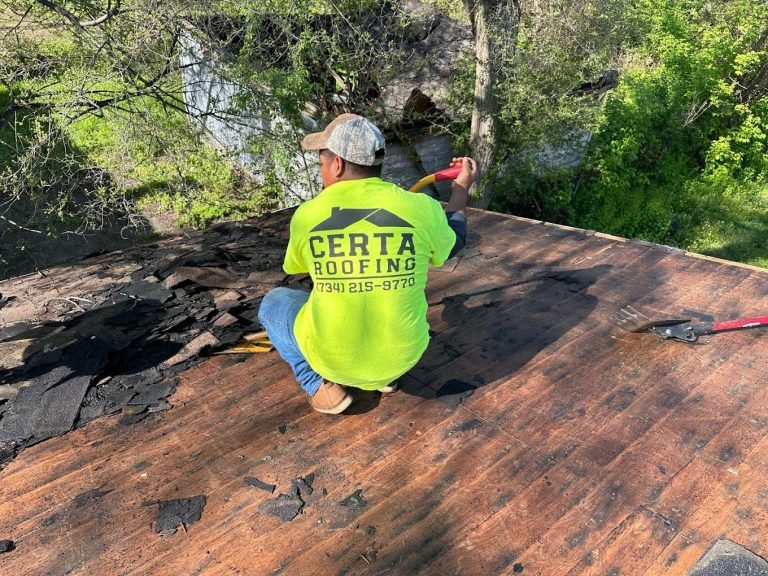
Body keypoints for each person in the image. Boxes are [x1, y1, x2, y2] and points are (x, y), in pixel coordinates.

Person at [258, 113, 478, 414]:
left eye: (321, 162)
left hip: (332, 360)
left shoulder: (309, 215)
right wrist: (462, 188)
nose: (322, 169)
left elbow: (297, 267)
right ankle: (384, 378)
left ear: (337, 164)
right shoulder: (420, 208)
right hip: (404, 357)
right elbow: (456, 239)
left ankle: (318, 385)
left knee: (274, 302)